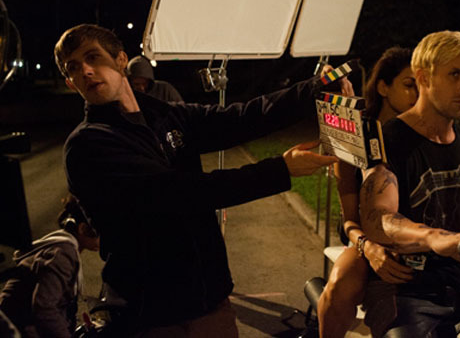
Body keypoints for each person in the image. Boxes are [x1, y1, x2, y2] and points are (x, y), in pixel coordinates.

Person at [53, 23, 341, 337]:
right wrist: (281, 169)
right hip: (149, 314)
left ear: (121, 59)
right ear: (70, 82)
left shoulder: (165, 115)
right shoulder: (87, 145)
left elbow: (243, 118)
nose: (86, 71)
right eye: (73, 68)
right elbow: (181, 194)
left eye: (93, 57)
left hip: (208, 302)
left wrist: (317, 88)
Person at [359, 31, 460, 338]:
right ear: (423, 78)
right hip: (406, 291)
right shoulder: (388, 140)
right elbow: (377, 218)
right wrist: (436, 238)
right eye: (455, 74)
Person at [316, 46, 418, 338]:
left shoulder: (423, 134)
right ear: (383, 87)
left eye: (422, 87)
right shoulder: (355, 136)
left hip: (413, 238)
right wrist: (369, 248)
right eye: (409, 85)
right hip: (366, 239)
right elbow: (349, 220)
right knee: (339, 285)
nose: (417, 95)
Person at [0, 195, 100, 338]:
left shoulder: (61, 245)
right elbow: (44, 308)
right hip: (18, 330)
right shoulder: (62, 254)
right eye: (101, 233)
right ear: (83, 229)